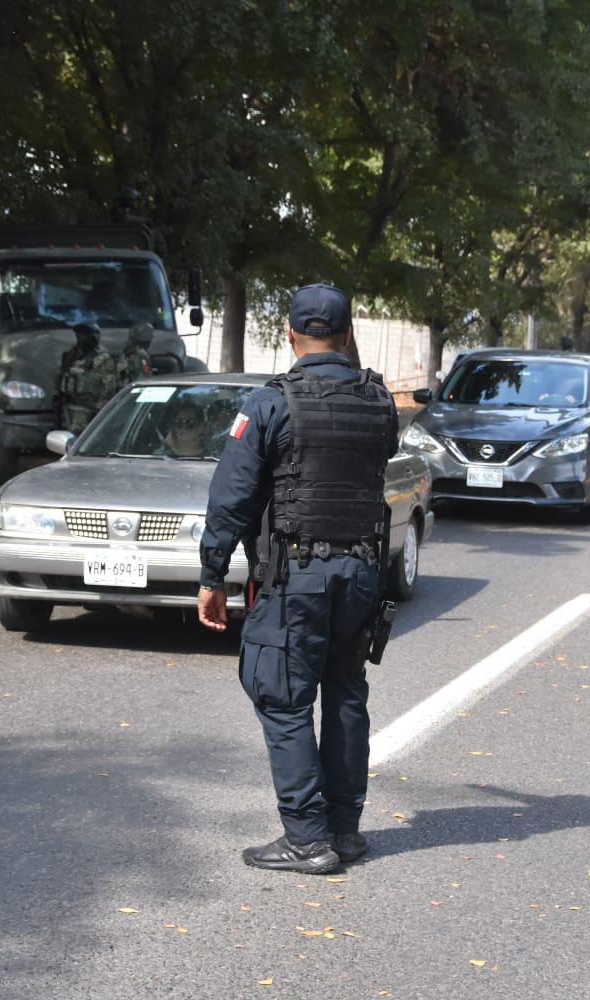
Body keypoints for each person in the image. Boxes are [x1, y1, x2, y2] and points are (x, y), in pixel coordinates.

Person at [197, 283, 399, 875]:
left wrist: (212, 575)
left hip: (296, 576)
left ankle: (308, 839)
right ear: (347, 333)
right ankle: (345, 829)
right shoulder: (379, 402)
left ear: (289, 335)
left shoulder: (270, 404)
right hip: (361, 572)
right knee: (344, 692)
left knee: (282, 697)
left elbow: (230, 498)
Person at [57, 322, 118, 433]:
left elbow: (109, 387)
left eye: (82, 336)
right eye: (78, 336)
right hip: (70, 405)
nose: (79, 339)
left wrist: (100, 410)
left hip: (89, 408)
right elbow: (62, 376)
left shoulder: (102, 359)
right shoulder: (72, 355)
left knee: (78, 437)